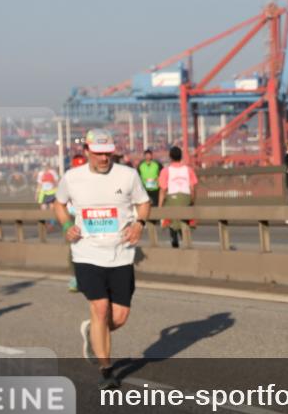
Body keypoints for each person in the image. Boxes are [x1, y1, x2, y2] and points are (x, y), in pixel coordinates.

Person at [53, 129, 150, 390]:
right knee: (100, 308)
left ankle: (91, 333)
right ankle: (106, 369)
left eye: (108, 154)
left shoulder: (128, 175)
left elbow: (143, 202)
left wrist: (139, 223)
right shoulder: (72, 178)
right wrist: (65, 226)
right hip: (86, 252)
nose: (104, 159)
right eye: (98, 154)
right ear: (87, 151)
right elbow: (59, 204)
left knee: (119, 317)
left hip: (121, 254)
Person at [158, 146, 197, 249]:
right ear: (181, 156)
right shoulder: (188, 170)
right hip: (186, 198)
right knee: (185, 220)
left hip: (172, 198)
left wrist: (160, 206)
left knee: (171, 218)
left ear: (170, 157)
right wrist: (192, 201)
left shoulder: (166, 171)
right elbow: (192, 188)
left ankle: (173, 236)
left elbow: (162, 190)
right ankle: (186, 239)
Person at [66, 153, 88, 292]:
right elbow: (64, 203)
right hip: (77, 223)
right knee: (74, 252)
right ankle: (77, 278)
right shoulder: (68, 182)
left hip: (95, 222)